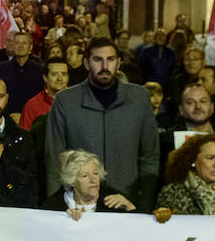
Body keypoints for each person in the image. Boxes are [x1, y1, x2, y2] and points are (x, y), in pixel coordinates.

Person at [44, 37, 160, 208]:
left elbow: (150, 156)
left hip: (128, 202)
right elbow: (55, 159)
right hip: (79, 207)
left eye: (111, 59)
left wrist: (145, 206)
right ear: (86, 63)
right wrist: (57, 207)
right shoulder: (66, 101)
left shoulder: (139, 98)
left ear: (119, 63)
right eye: (98, 60)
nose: (105, 67)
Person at [0, 31, 43, 122]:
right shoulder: (2, 67)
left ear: (30, 47)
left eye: (24, 43)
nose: (20, 46)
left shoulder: (40, 69)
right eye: (17, 43)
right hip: (7, 117)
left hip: (33, 118)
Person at [19, 58, 70, 129]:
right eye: (54, 74)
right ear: (45, 78)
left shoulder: (77, 101)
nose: (60, 79)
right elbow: (26, 136)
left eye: (64, 74)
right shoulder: (32, 105)